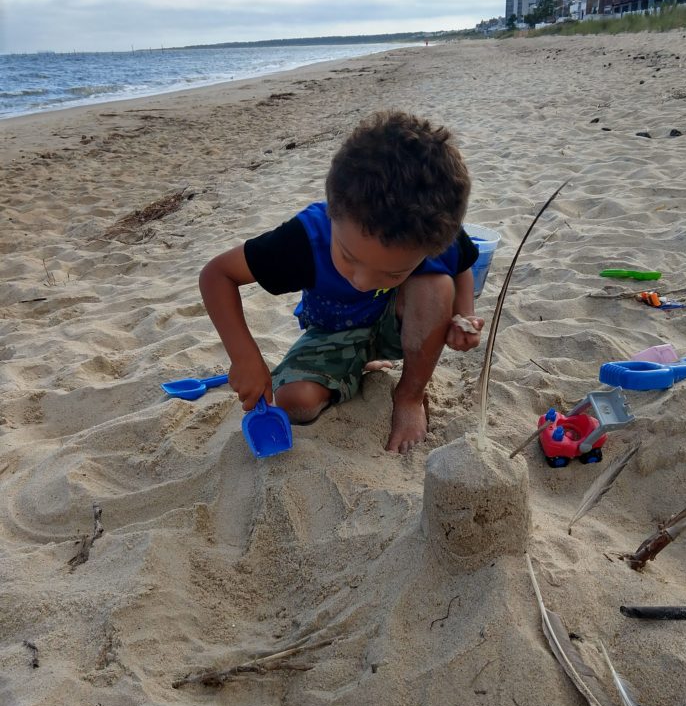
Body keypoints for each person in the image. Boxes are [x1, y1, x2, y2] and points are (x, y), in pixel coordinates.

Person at [199, 111, 484, 454]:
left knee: (436, 285)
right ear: (333, 211)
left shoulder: (426, 228)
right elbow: (217, 275)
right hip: (332, 331)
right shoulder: (303, 240)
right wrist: (244, 356)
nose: (363, 281)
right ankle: (356, 363)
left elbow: (461, 266)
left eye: (392, 272)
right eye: (349, 257)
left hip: (402, 326)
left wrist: (463, 315)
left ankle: (409, 395)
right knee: (294, 404)